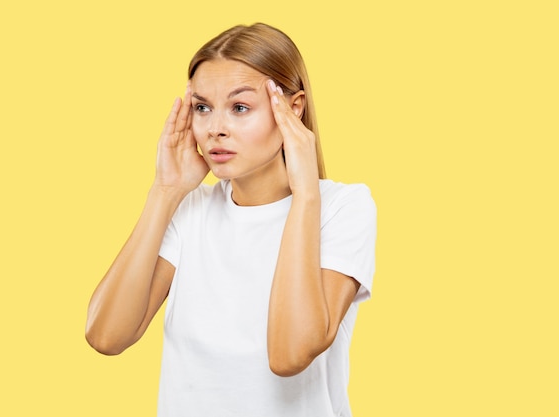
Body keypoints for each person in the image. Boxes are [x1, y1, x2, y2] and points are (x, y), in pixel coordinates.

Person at [85, 22, 376, 417]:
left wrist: (306, 193)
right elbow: (106, 334)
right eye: (202, 107)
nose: (215, 129)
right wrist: (166, 190)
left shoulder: (343, 207)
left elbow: (288, 355)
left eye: (240, 108)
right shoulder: (190, 210)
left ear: (292, 109)